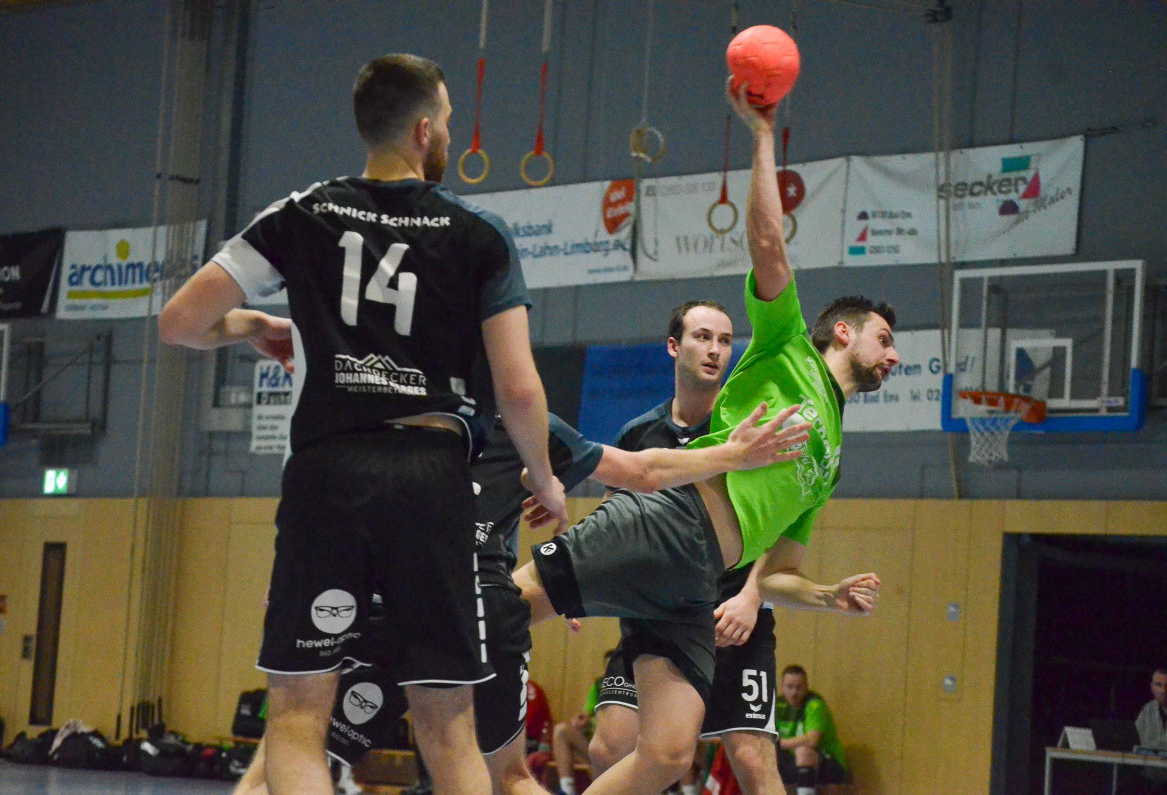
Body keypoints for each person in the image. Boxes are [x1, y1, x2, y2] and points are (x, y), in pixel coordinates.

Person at [159, 52, 570, 794]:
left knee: (296, 719)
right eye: (448, 122)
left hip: (329, 473)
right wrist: (544, 479)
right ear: (423, 130)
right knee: (449, 728)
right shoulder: (478, 233)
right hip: (433, 477)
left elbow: (180, 322)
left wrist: (251, 324)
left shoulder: (302, 213)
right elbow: (517, 386)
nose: (449, 135)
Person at [512, 80, 896, 795]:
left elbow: (776, 571)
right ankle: (409, 646)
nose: (894, 354)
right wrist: (762, 135)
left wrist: (827, 594)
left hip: (700, 582)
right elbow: (768, 242)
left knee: (667, 755)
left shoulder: (831, 461)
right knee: (511, 617)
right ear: (843, 331)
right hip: (671, 527)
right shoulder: (788, 347)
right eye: (884, 338)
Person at [233, 407, 811, 795]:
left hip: (412, 597)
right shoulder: (522, 418)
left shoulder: (399, 411)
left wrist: (298, 577)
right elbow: (641, 470)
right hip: (463, 603)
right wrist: (733, 456)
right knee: (494, 772)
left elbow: (333, 495)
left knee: (297, 738)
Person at [591, 298, 790, 795]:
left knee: (752, 757)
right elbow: (612, 524)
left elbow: (782, 525)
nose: (716, 349)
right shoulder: (638, 434)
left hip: (730, 616)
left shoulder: (745, 432)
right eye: (703, 337)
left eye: (725, 340)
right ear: (673, 346)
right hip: (656, 613)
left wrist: (752, 597)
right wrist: (579, 588)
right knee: (609, 747)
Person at [775, 665, 848, 794]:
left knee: (804, 751)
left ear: (806, 687)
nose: (794, 693)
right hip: (793, 760)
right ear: (782, 687)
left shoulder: (815, 705)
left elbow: (812, 741)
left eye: (799, 687)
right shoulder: (778, 705)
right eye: (789, 687)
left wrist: (779, 744)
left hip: (828, 762)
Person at [551, 649, 614, 795]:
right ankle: (567, 790)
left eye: (612, 667)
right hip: (596, 746)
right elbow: (589, 714)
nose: (608, 671)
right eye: (606, 667)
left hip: (620, 751)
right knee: (561, 731)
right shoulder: (598, 686)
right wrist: (582, 720)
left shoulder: (633, 690)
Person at [1135, 666, 1167, 791]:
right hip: (1149, 776)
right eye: (1158, 685)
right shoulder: (1148, 709)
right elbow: (1134, 738)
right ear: (1152, 687)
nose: (1163, 690)